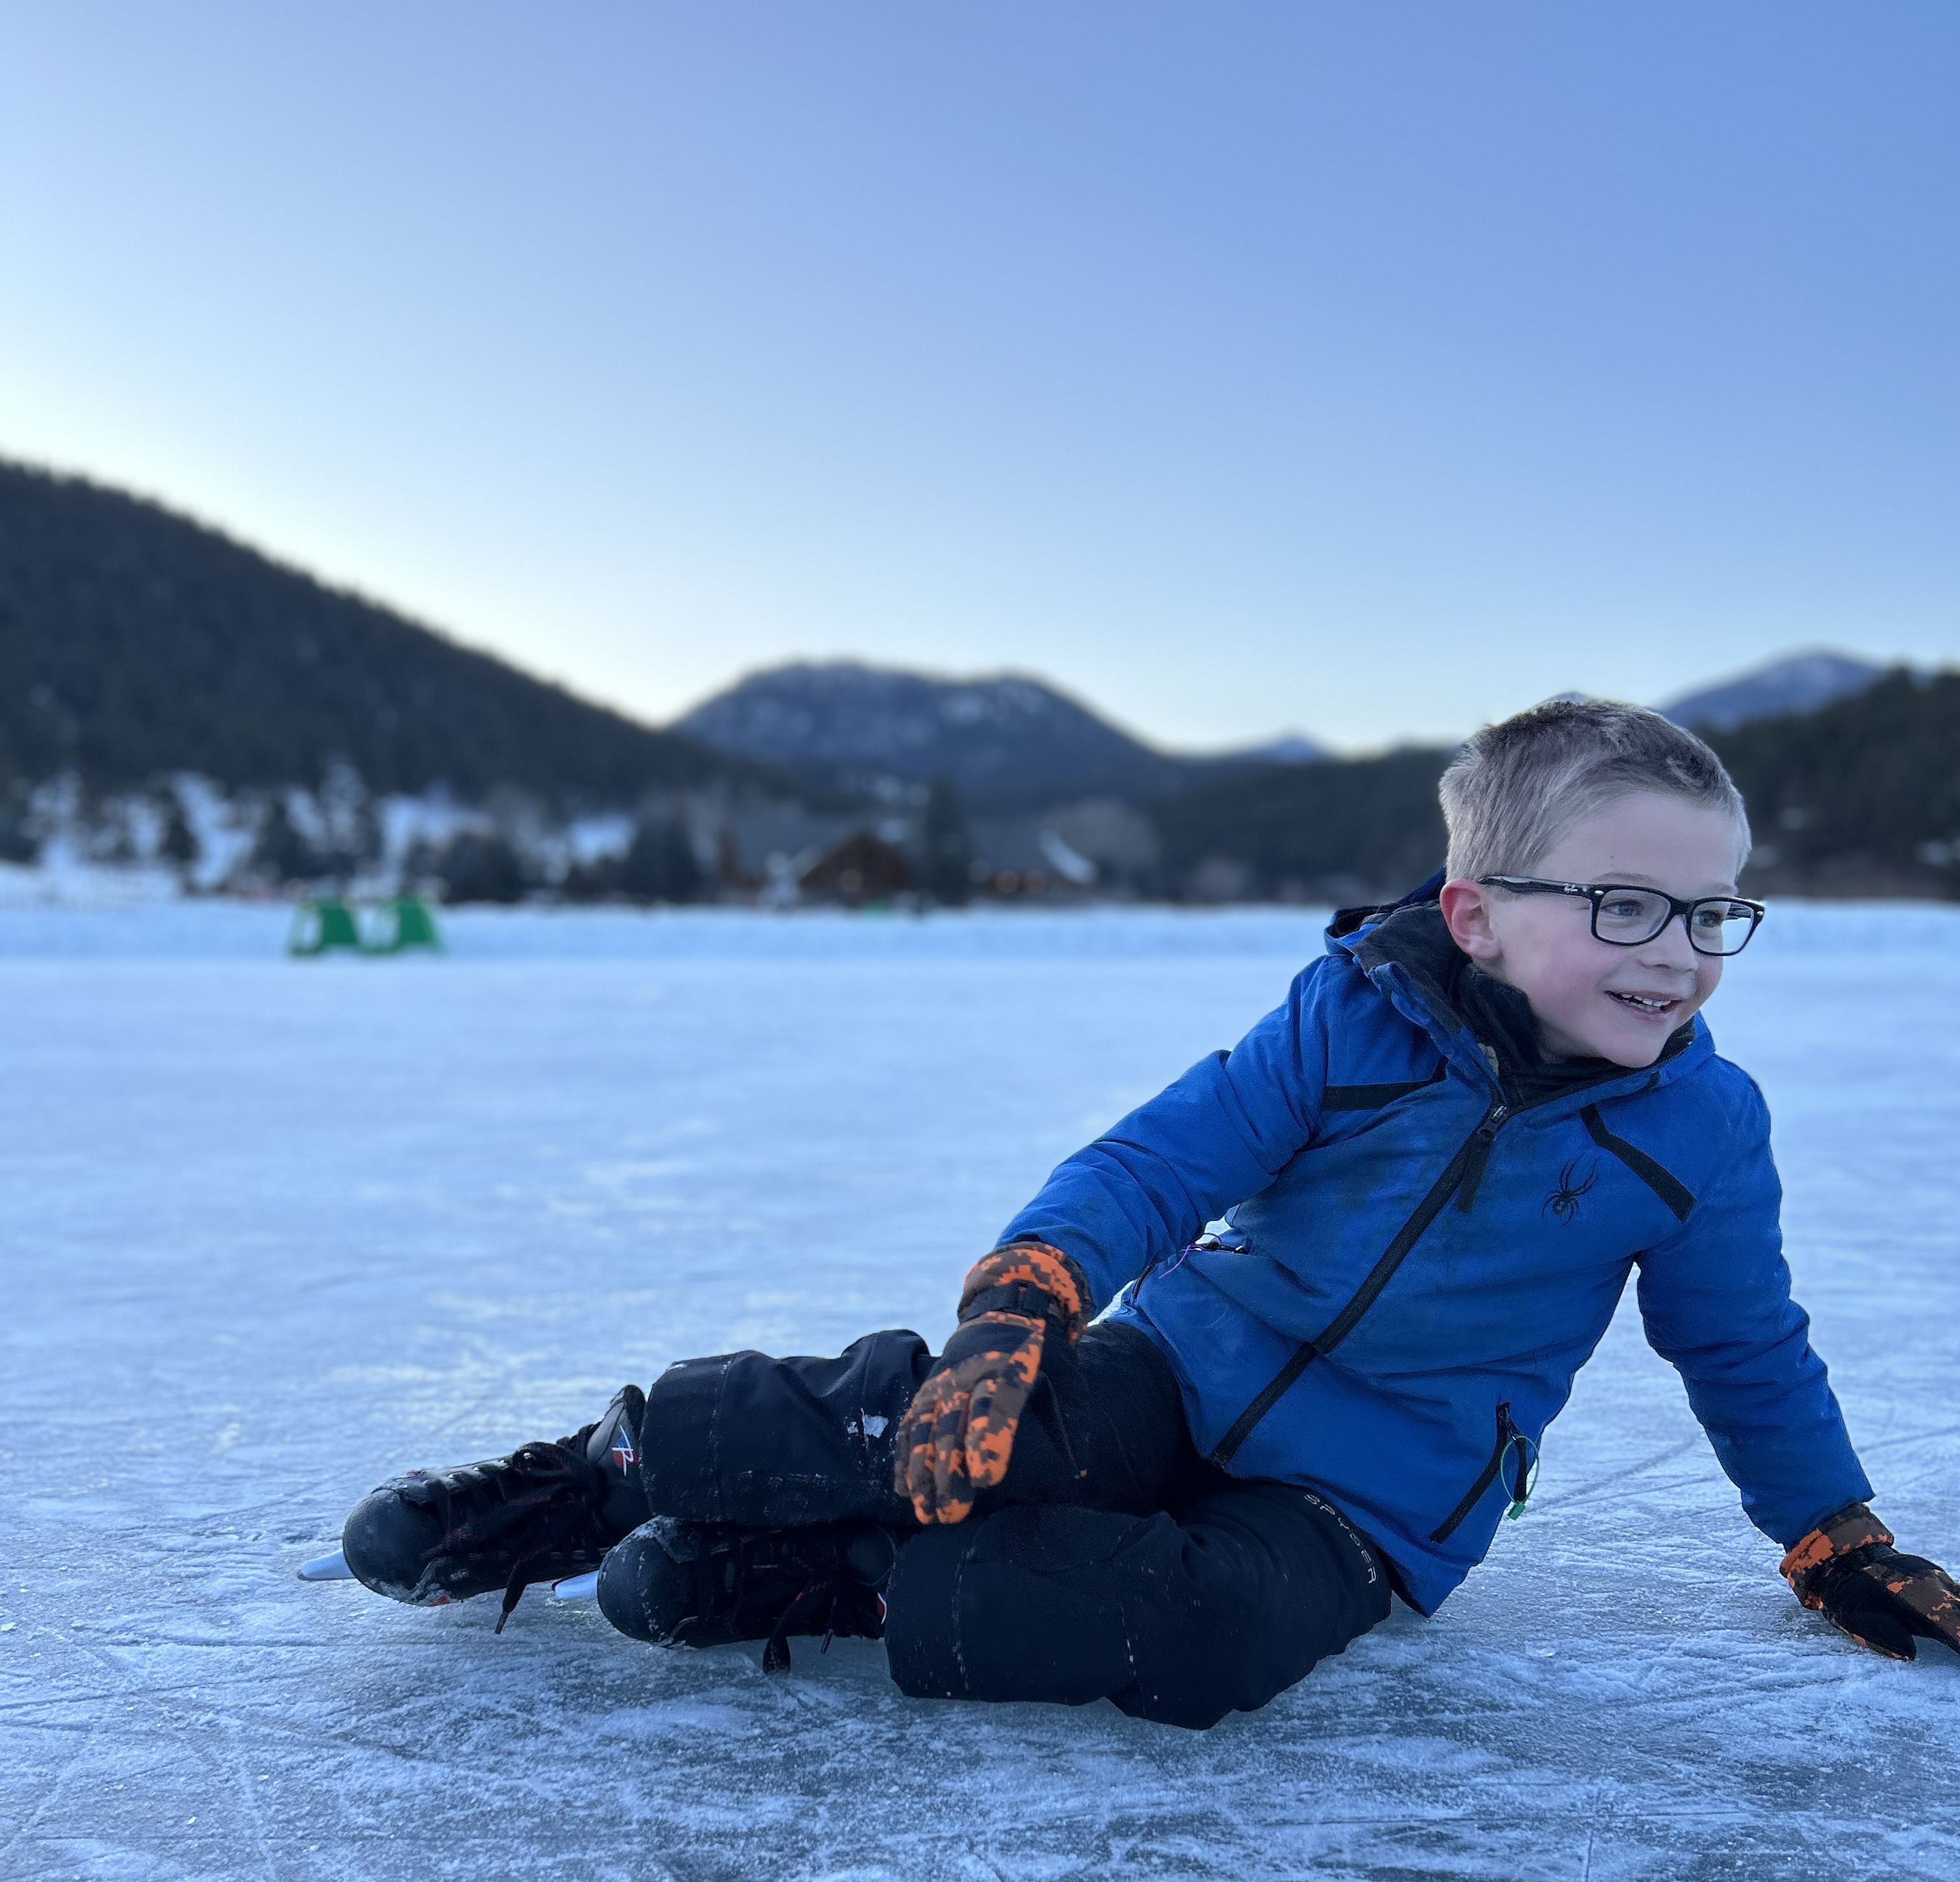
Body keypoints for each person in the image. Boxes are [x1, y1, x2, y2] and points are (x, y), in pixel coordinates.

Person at [326, 699, 1960, 1729]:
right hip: (1181, 1363)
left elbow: (1745, 1345)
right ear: (1475, 914)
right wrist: (1024, 1302)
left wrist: (1831, 1530)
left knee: (1216, 1641)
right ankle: (608, 1475)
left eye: (1710, 914)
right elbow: (1159, 1163)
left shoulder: (1704, 1128)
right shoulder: (1353, 1022)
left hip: (1371, 1505)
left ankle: (841, 1579)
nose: (1676, 953)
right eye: (1623, 904)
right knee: (979, 1412)